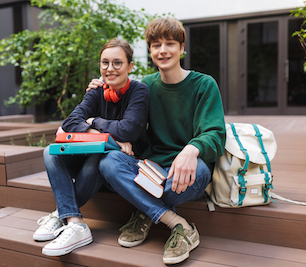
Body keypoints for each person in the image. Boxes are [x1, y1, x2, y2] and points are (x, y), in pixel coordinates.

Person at [87, 18, 226, 264]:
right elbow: (118, 115)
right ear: (150, 51)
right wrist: (100, 89)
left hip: (186, 171)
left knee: (200, 170)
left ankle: (143, 212)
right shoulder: (145, 87)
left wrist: (192, 149)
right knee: (109, 162)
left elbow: (215, 135)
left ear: (182, 48)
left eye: (170, 44)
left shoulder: (204, 85)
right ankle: (178, 224)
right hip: (149, 168)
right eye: (156, 45)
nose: (163, 50)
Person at [34, 38, 149, 257]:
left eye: (117, 63)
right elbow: (70, 122)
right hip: (91, 163)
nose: (110, 69)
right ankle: (75, 222)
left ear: (130, 66)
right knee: (50, 152)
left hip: (120, 167)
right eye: (105, 63)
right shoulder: (97, 90)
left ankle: (60, 213)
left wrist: (93, 121)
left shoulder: (138, 91)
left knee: (100, 156)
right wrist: (105, 138)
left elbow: (129, 129)